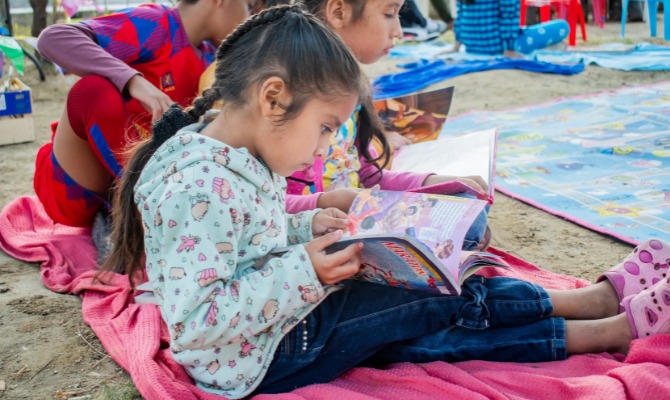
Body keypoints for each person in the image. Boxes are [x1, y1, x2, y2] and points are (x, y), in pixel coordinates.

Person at [101, 5, 670, 397]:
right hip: (262, 356)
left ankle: (599, 319)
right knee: (434, 293)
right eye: (325, 128)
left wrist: (307, 229)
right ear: (273, 97)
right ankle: (595, 314)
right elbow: (201, 324)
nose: (325, 146)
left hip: (281, 318)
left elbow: (248, 235)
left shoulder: (236, 152)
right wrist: (307, 268)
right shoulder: (196, 184)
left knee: (422, 315)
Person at [32, 0, 262, 229]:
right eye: (249, 7)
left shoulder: (212, 59)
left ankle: (138, 214)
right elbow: (54, 38)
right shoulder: (156, 25)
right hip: (74, 187)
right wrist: (133, 81)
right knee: (91, 91)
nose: (249, 17)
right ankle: (146, 217)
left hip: (134, 183)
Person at [281, 0, 491, 250]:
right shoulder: (289, 96)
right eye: (390, 14)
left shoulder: (353, 92)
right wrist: (324, 202)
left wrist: (433, 181)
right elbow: (256, 205)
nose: (399, 31)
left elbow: (368, 176)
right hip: (310, 238)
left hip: (357, 218)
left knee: (468, 208)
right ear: (339, 12)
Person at [451, 0, 569, 57]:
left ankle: (552, 47)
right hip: (497, 46)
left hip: (472, 46)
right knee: (562, 26)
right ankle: (551, 47)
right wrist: (509, 48)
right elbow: (508, 16)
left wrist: (455, 47)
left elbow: (460, 16)